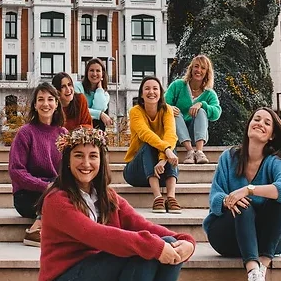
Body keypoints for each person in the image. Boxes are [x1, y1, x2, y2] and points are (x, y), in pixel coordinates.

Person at [38, 127, 196, 281]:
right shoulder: (57, 199)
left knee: (168, 242)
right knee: (144, 250)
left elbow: (142, 224)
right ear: (68, 161)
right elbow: (94, 234)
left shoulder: (108, 196)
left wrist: (185, 240)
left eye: (93, 156)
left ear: (101, 161)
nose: (86, 163)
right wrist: (152, 246)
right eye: (78, 155)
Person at [203, 107, 281, 281]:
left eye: (267, 123)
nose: (260, 123)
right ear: (248, 126)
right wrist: (228, 201)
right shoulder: (228, 158)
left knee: (280, 198)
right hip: (227, 236)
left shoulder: (274, 162)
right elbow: (215, 197)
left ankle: (261, 269)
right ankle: (253, 273)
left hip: (267, 240)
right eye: (257, 119)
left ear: (271, 136)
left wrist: (249, 189)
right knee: (243, 204)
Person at [8, 82, 66, 247]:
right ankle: (36, 230)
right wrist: (45, 186)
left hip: (55, 189)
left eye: (50, 99)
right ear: (34, 105)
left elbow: (68, 169)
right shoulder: (25, 133)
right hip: (27, 195)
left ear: (56, 104)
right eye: (40, 99)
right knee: (57, 197)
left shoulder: (63, 134)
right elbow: (16, 171)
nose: (45, 104)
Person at [124, 76, 181, 213]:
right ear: (141, 94)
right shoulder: (135, 111)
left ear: (160, 93)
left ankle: (171, 197)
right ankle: (157, 197)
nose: (151, 92)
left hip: (161, 171)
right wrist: (166, 150)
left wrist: (163, 159)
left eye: (155, 88)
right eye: (147, 89)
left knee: (172, 147)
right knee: (148, 145)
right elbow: (145, 134)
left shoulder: (167, 110)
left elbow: (171, 135)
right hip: (136, 172)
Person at [165, 54, 222, 164]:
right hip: (177, 134)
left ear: (207, 72)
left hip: (197, 134)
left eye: (203, 68)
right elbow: (162, 103)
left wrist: (202, 104)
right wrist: (169, 108)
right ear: (191, 68)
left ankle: (199, 152)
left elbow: (216, 113)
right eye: (196, 66)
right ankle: (190, 151)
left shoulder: (210, 93)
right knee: (174, 113)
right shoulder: (178, 85)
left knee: (201, 111)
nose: (199, 70)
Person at [74, 58, 113, 131]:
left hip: (94, 128)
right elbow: (79, 110)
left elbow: (99, 108)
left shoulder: (105, 95)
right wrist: (100, 114)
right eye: (91, 70)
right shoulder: (78, 87)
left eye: (98, 71)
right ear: (87, 73)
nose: (94, 74)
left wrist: (99, 89)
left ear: (103, 74)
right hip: (78, 125)